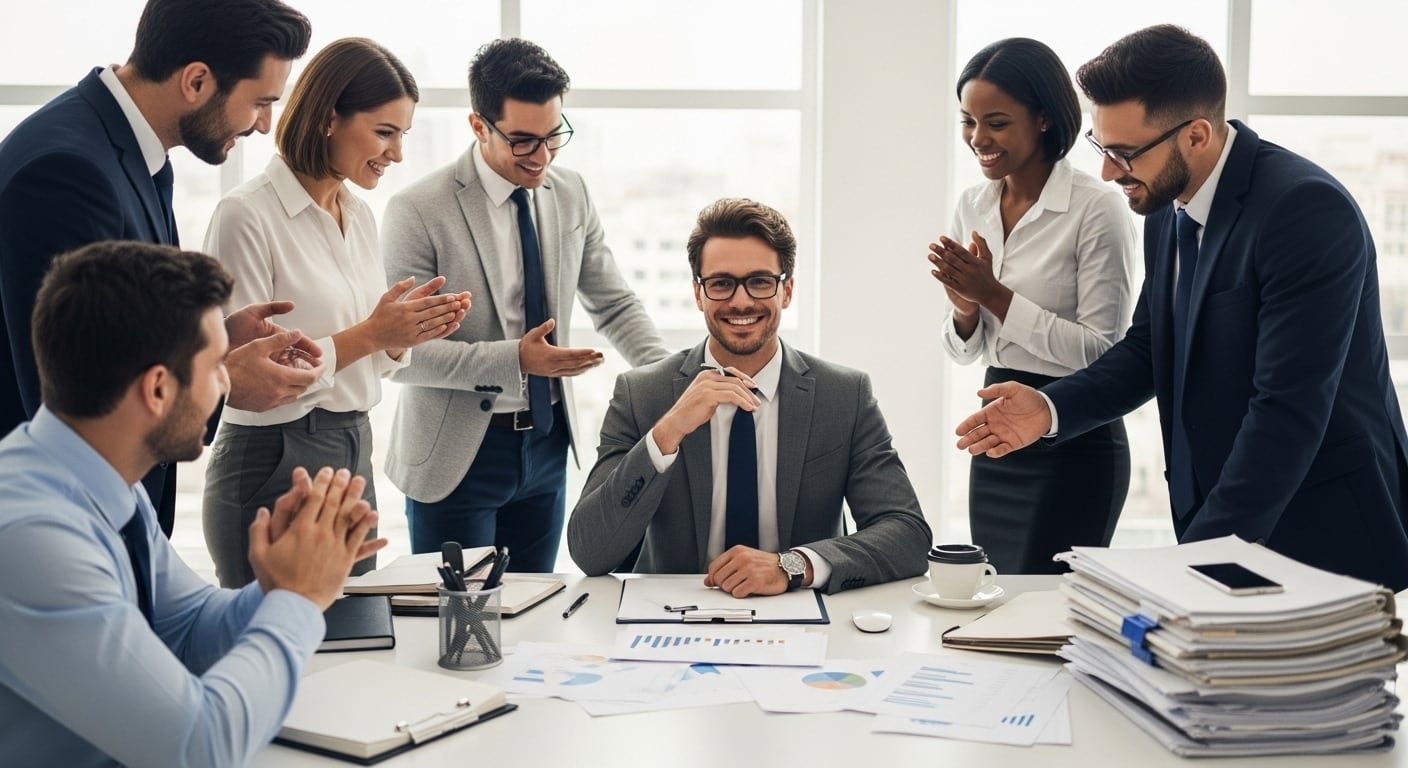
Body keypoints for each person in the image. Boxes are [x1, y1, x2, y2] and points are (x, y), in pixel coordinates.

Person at [954, 25, 1408, 590]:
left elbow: (1286, 414)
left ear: (1195, 135)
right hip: (1223, 521)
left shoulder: (1304, 210)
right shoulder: (1165, 206)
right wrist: (1049, 409)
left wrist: (1187, 568)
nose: (1107, 172)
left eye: (1123, 153)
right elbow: (1148, 348)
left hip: (1322, 534)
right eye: (1102, 148)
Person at [0, 241, 385, 766]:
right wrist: (296, 599)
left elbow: (185, 627)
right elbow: (199, 747)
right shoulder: (32, 537)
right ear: (157, 389)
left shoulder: (98, 474)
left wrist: (283, 578)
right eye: (215, 366)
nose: (225, 382)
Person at [0, 0, 320, 537]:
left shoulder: (123, 149)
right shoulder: (69, 172)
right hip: (68, 533)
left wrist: (210, 343)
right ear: (196, 80)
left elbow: (115, 335)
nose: (264, 126)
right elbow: (76, 404)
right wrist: (222, 382)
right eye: (260, 102)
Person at [382, 38, 668, 572]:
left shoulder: (570, 192)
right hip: (457, 455)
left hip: (548, 444)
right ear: (477, 126)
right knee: (461, 627)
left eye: (553, 136)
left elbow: (614, 303)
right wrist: (515, 359)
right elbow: (399, 356)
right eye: (522, 141)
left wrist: (671, 379)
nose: (542, 157)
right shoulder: (417, 210)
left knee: (535, 616)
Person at [202, 38, 471, 588]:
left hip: (354, 444)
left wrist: (401, 335)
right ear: (328, 118)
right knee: (277, 646)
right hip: (273, 454)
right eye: (384, 132)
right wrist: (373, 334)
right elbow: (253, 379)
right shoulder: (246, 215)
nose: (396, 154)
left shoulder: (359, 215)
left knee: (356, 639)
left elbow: (375, 364)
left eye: (403, 136)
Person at [569, 198, 931, 596]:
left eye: (760, 281)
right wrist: (667, 433)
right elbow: (590, 552)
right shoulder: (642, 394)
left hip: (803, 616)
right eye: (721, 283)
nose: (741, 302)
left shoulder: (843, 395)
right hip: (669, 623)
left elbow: (907, 534)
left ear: (787, 290)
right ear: (698, 294)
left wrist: (793, 566)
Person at [930, 38, 1136, 574]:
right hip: (997, 434)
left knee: (1048, 617)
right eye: (967, 122)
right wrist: (966, 310)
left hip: (1075, 436)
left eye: (996, 122)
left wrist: (994, 294)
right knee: (995, 605)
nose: (978, 139)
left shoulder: (1097, 209)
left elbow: (1102, 355)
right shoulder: (972, 204)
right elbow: (965, 350)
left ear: (1043, 118)